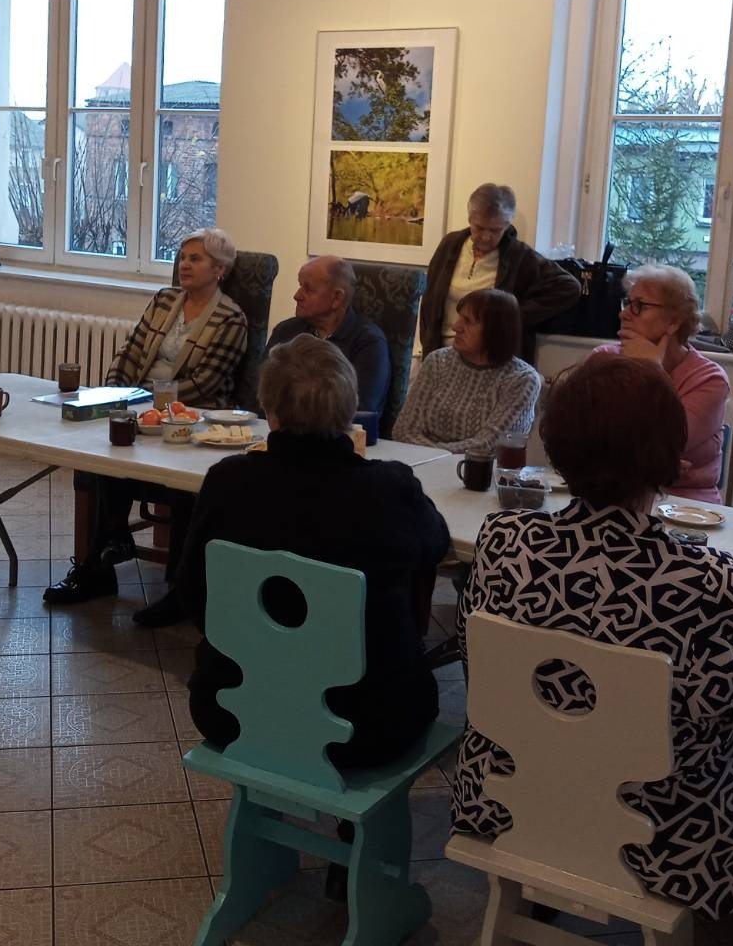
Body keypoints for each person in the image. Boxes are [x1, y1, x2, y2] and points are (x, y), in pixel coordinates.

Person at [451, 352, 733, 936]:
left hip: (505, 798)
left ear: (557, 447)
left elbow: (474, 660)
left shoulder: (503, 543)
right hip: (661, 835)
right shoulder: (714, 585)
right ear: (670, 455)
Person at [178, 334, 450, 765]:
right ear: (351, 409)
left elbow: (194, 595)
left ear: (270, 411)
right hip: (368, 723)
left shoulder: (227, 481)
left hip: (234, 707)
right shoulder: (389, 489)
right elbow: (436, 546)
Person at [44, 228, 248, 611]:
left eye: (195, 259)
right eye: (183, 257)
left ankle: (178, 590)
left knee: (166, 468)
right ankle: (100, 563)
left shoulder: (231, 318)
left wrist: (148, 405)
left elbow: (205, 382)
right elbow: (130, 353)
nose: (184, 265)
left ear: (220, 269)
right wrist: (115, 396)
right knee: (103, 450)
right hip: (140, 408)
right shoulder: (164, 300)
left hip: (191, 419)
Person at [592, 263, 729, 502]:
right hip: (611, 492)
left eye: (640, 306)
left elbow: (668, 443)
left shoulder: (709, 378)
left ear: (674, 321)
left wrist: (651, 371)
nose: (624, 314)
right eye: (627, 303)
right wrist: (650, 465)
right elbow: (579, 434)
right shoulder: (602, 359)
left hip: (686, 504)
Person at [419, 183, 579, 364]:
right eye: (479, 228)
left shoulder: (520, 256)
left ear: (507, 225)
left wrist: (510, 316)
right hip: (441, 355)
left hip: (490, 359)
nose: (486, 237)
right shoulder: (450, 244)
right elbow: (430, 300)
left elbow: (570, 287)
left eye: (495, 230)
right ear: (470, 220)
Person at [394, 288, 542, 456]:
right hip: (419, 460)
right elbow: (404, 429)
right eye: (459, 318)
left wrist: (435, 454)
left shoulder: (522, 379)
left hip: (479, 469)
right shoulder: (437, 361)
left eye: (468, 321)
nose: (456, 326)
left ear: (495, 330)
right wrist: (433, 456)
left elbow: (489, 444)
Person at [266, 255, 390, 416]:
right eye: (300, 285)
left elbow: (359, 410)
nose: (297, 295)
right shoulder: (286, 331)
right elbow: (260, 391)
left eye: (308, 289)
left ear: (337, 298)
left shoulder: (369, 343)